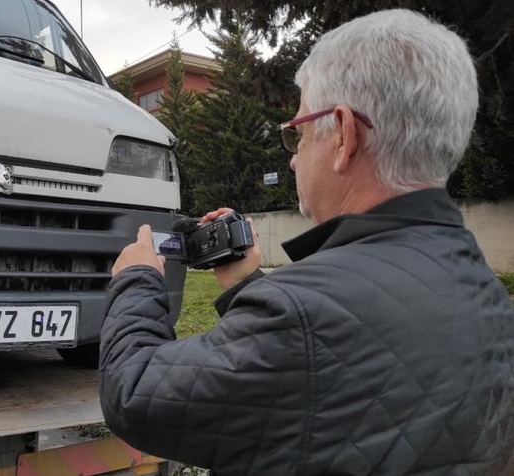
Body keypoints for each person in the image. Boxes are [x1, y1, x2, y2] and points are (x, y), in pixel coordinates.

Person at [98, 9, 514, 476]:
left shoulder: (301, 312)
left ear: (343, 135)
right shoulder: (487, 292)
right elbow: (327, 403)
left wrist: (136, 281)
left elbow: (133, 395)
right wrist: (243, 285)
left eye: (296, 134)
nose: (294, 161)